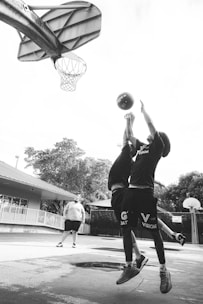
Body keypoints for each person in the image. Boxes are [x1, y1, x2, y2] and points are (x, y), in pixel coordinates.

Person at [119, 100, 172, 293]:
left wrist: (144, 111)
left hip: (145, 194)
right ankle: (129, 266)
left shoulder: (157, 146)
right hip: (131, 192)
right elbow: (131, 137)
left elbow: (151, 126)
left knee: (153, 233)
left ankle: (163, 271)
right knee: (125, 228)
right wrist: (128, 120)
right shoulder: (142, 147)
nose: (150, 133)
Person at [108, 113, 148, 283]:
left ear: (132, 150)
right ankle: (139, 257)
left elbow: (126, 138)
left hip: (120, 194)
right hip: (118, 195)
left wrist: (129, 121)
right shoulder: (129, 162)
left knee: (125, 229)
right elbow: (127, 140)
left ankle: (129, 265)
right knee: (126, 228)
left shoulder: (126, 154)